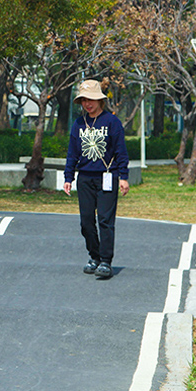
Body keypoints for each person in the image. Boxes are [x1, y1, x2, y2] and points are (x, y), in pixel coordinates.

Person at [62, 79, 130, 279]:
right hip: (85, 178)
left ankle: (106, 261)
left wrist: (123, 177)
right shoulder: (78, 123)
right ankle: (94, 256)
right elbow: (72, 153)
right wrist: (68, 177)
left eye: (91, 99)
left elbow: (121, 152)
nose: (87, 104)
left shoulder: (112, 122)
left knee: (105, 220)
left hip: (107, 176)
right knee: (86, 222)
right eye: (83, 100)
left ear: (100, 100)